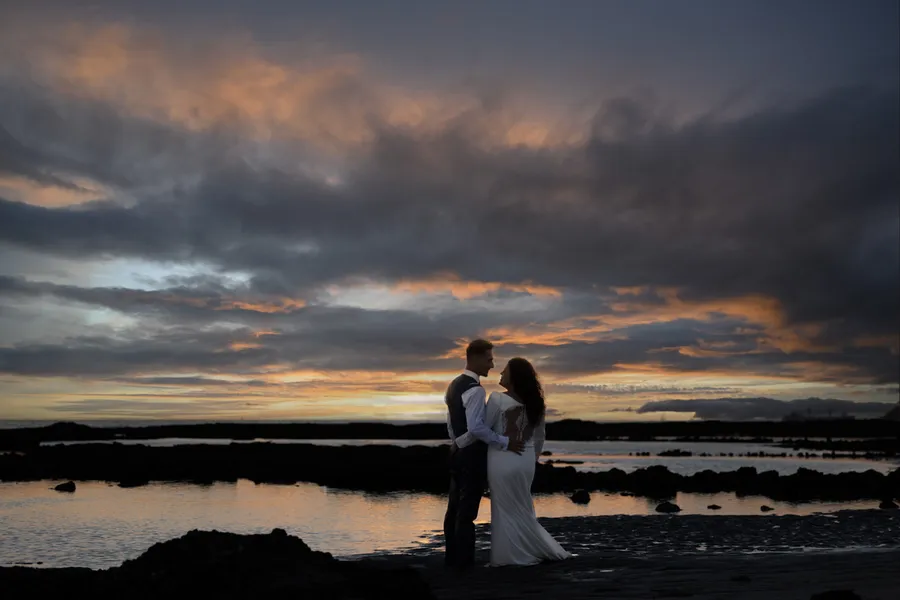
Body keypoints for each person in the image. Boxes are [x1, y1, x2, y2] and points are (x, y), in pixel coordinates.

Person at [443, 339, 525, 569]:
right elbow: (477, 428)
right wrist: (505, 442)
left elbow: (450, 422)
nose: (492, 364)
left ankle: (452, 559)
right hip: (471, 456)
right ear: (476, 358)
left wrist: (456, 443)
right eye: (489, 359)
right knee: (467, 511)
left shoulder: (453, 385)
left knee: (454, 508)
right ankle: (464, 562)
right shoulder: (475, 389)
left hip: (457, 452)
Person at [484, 357, 571, 566]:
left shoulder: (496, 399)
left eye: (504, 372)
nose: (500, 374)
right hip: (525, 460)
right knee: (522, 506)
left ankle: (509, 556)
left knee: (503, 506)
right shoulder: (537, 404)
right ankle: (530, 548)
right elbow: (540, 437)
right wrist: (533, 460)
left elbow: (485, 429)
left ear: (514, 377)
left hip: (501, 458)